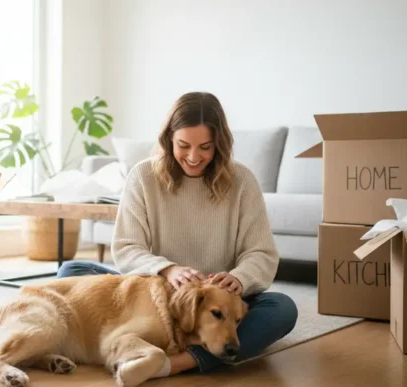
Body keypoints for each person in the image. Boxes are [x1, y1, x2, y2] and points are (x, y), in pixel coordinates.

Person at [57, 91, 298, 376]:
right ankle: (145, 346)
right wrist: (167, 269)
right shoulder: (143, 176)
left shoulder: (242, 180)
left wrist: (239, 278)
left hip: (216, 305)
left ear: (219, 144)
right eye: (183, 145)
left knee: (282, 308)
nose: (194, 157)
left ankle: (174, 363)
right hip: (154, 299)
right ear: (168, 139)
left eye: (206, 147)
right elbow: (126, 247)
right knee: (73, 271)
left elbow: (261, 252)